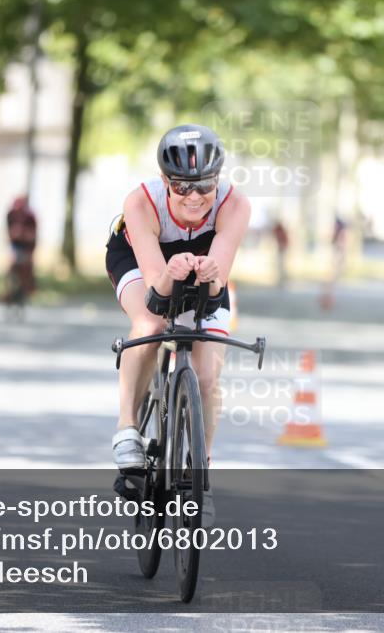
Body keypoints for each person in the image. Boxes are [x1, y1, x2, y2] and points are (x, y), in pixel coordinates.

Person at [105, 124, 251, 518]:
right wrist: (171, 273)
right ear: (165, 182)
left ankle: (199, 474)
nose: (193, 196)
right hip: (141, 260)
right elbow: (156, 290)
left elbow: (219, 284)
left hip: (201, 264)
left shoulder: (235, 206)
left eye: (204, 185)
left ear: (217, 179)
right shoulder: (141, 202)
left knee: (206, 377)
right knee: (151, 325)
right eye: (181, 186)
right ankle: (127, 428)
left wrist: (210, 273)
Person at [5, 196, 38, 303]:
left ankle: (28, 289)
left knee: (27, 268)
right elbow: (8, 232)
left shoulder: (30, 217)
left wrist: (25, 234)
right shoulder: (10, 215)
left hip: (27, 246)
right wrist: (14, 234)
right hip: (15, 245)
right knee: (12, 266)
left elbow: (33, 235)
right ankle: (9, 290)